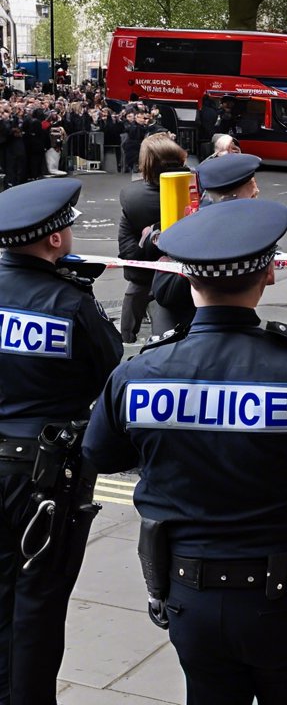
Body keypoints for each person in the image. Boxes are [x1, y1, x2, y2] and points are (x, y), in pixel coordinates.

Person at [83, 199, 287, 705]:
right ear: (268, 273)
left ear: (187, 279)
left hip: (188, 600)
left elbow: (104, 455)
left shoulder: (140, 371)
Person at [0, 178, 123, 705]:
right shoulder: (67, 302)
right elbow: (109, 361)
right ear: (54, 239)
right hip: (43, 478)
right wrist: (82, 291)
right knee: (36, 606)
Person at [151, 154, 263, 330]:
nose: (257, 190)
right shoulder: (197, 230)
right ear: (232, 196)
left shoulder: (228, 224)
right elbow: (165, 293)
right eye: (251, 185)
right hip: (189, 327)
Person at [117, 133, 188, 343]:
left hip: (144, 270)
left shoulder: (133, 197)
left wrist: (148, 240)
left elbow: (128, 250)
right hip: (184, 272)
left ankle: (126, 338)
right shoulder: (195, 187)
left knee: (134, 295)